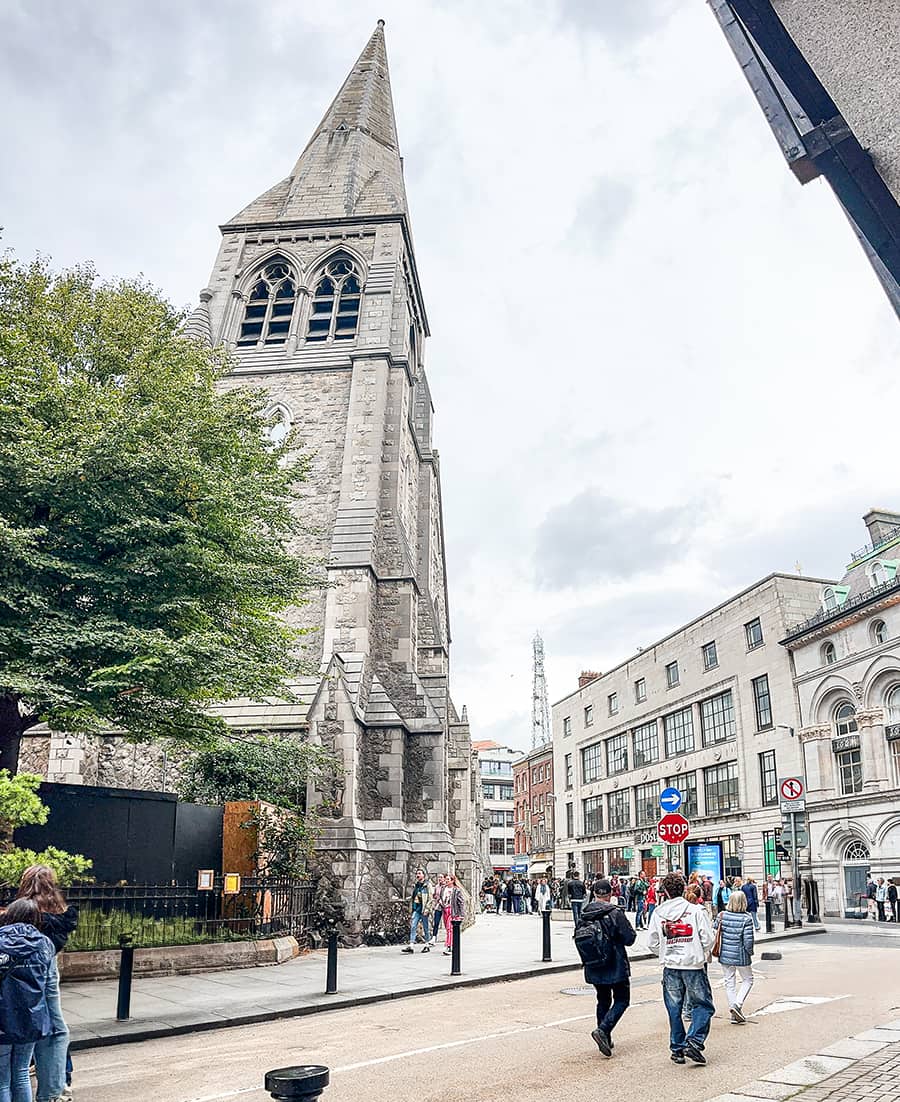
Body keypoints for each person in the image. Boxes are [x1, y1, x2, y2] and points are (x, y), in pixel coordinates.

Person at [16, 865, 78, 1102]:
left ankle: (51, 1089)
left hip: (20, 972)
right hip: (47, 967)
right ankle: (55, 1088)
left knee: (32, 1031)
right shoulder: (58, 912)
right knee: (54, 1028)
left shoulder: (21, 911)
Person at [647, 872, 716, 1066]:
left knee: (674, 1008)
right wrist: (698, 950)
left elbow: (652, 942)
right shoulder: (695, 911)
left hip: (671, 965)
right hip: (692, 964)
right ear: (683, 889)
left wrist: (665, 951)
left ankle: (677, 1048)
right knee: (703, 1005)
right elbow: (708, 938)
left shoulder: (658, 913)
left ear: (666, 892)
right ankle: (694, 1040)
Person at [0, 898, 55, 1102]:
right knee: (22, 1072)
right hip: (32, 1016)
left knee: (2, 1079)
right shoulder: (44, 944)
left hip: (3, 1016)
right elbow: (47, 981)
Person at [575, 878, 637, 1058]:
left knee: (603, 1000)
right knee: (622, 999)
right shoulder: (615, 913)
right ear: (610, 894)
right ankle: (603, 1030)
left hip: (594, 963)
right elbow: (629, 938)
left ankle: (605, 1037)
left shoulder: (584, 914)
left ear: (594, 894)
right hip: (615, 963)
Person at [715, 889, 755, 1023]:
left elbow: (715, 929)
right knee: (748, 979)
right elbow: (748, 941)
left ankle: (734, 1009)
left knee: (729, 982)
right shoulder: (746, 918)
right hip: (741, 954)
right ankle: (737, 1005)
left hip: (725, 953)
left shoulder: (722, 915)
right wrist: (750, 952)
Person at [401, 868, 432, 953]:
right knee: (413, 926)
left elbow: (430, 898)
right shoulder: (416, 885)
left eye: (419, 873)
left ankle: (427, 945)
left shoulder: (427, 885)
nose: (417, 875)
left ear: (423, 875)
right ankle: (411, 945)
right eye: (417, 874)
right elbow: (413, 897)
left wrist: (427, 909)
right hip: (416, 909)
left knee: (425, 927)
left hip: (423, 909)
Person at [443, 874, 465, 956]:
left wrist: (461, 914)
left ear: (452, 881)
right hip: (445, 910)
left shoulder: (456, 890)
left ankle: (449, 946)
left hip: (453, 911)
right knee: (447, 929)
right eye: (446, 879)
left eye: (448, 879)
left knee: (450, 929)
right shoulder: (443, 889)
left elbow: (461, 902)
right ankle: (451, 944)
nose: (446, 881)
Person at [431, 874, 447, 942]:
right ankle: (434, 937)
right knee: (436, 922)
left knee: (446, 923)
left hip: (445, 906)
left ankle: (448, 937)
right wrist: (435, 897)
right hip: (438, 907)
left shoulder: (446, 887)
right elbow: (434, 895)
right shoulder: (437, 886)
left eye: (441, 877)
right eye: (438, 877)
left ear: (444, 878)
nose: (439, 879)